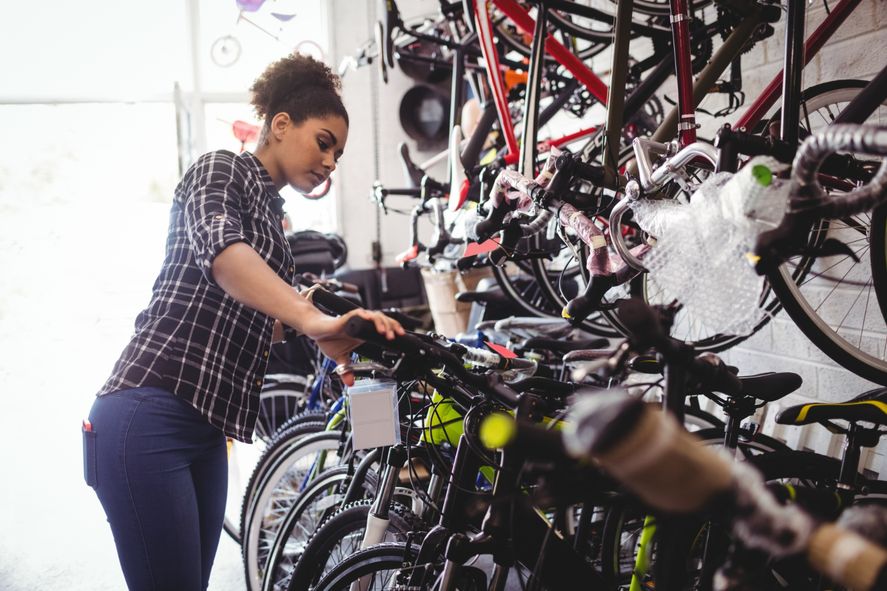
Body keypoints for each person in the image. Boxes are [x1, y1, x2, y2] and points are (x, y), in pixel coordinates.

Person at [82, 53, 403, 591]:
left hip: (206, 432)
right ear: (280, 125)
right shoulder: (221, 169)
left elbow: (265, 320)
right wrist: (310, 316)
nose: (330, 162)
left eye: (339, 154)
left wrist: (339, 341)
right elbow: (224, 256)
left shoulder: (274, 225)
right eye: (324, 142)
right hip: (147, 415)